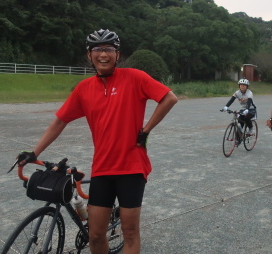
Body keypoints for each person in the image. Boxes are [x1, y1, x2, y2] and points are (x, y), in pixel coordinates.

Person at [15, 29, 178, 254]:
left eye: (109, 49)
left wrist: (146, 129)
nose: (104, 54)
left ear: (117, 54)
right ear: (89, 55)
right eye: (98, 49)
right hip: (102, 168)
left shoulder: (135, 77)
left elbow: (169, 98)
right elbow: (60, 122)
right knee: (95, 235)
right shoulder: (84, 89)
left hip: (132, 167)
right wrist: (34, 153)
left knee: (130, 233)